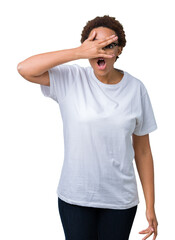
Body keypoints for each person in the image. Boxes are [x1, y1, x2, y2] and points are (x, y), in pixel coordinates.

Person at [17, 15, 158, 240]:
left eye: (108, 45)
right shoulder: (71, 78)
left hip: (120, 200)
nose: (100, 52)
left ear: (119, 50)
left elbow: (142, 151)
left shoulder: (136, 89)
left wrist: (150, 206)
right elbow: (25, 68)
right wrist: (78, 52)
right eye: (94, 45)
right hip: (76, 198)